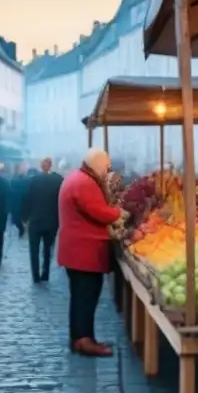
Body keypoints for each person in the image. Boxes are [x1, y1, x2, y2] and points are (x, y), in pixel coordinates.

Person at [58, 148, 122, 357]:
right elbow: (98, 211)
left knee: (82, 297)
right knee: (85, 297)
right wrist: (120, 214)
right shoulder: (84, 183)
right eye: (106, 166)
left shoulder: (78, 178)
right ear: (97, 164)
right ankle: (83, 341)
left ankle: (82, 337)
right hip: (83, 252)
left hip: (78, 251)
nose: (107, 170)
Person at [22, 157, 63, 283]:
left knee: (33, 250)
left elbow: (27, 200)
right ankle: (45, 273)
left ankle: (35, 275)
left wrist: (24, 218)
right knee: (47, 249)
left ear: (41, 166)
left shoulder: (33, 180)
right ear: (51, 165)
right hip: (52, 221)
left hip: (35, 220)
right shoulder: (58, 180)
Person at [9, 164, 30, 238]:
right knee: (19, 218)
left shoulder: (13, 180)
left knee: (19, 218)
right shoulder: (14, 180)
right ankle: (21, 229)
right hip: (18, 202)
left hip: (20, 202)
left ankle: (21, 230)